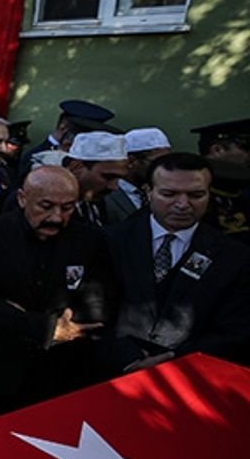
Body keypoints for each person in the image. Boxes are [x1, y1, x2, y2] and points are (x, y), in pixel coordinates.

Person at [0, 167, 113, 420]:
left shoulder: (90, 238)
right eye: (46, 206)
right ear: (22, 198)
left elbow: (101, 298)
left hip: (63, 372)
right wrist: (46, 328)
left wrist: (71, 327)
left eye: (67, 208)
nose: (56, 217)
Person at [104, 153, 250, 370]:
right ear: (148, 192)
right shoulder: (110, 241)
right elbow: (93, 308)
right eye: (169, 194)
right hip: (112, 375)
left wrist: (175, 359)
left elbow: (236, 328)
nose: (182, 204)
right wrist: (127, 356)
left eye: (196, 195)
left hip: (193, 374)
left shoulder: (234, 256)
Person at [104, 127, 171, 225]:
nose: (164, 169)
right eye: (156, 163)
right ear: (131, 161)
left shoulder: (158, 191)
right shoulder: (107, 194)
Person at [63, 131, 128, 227]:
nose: (114, 187)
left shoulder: (99, 204)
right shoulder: (49, 206)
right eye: (108, 177)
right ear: (76, 167)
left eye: (118, 178)